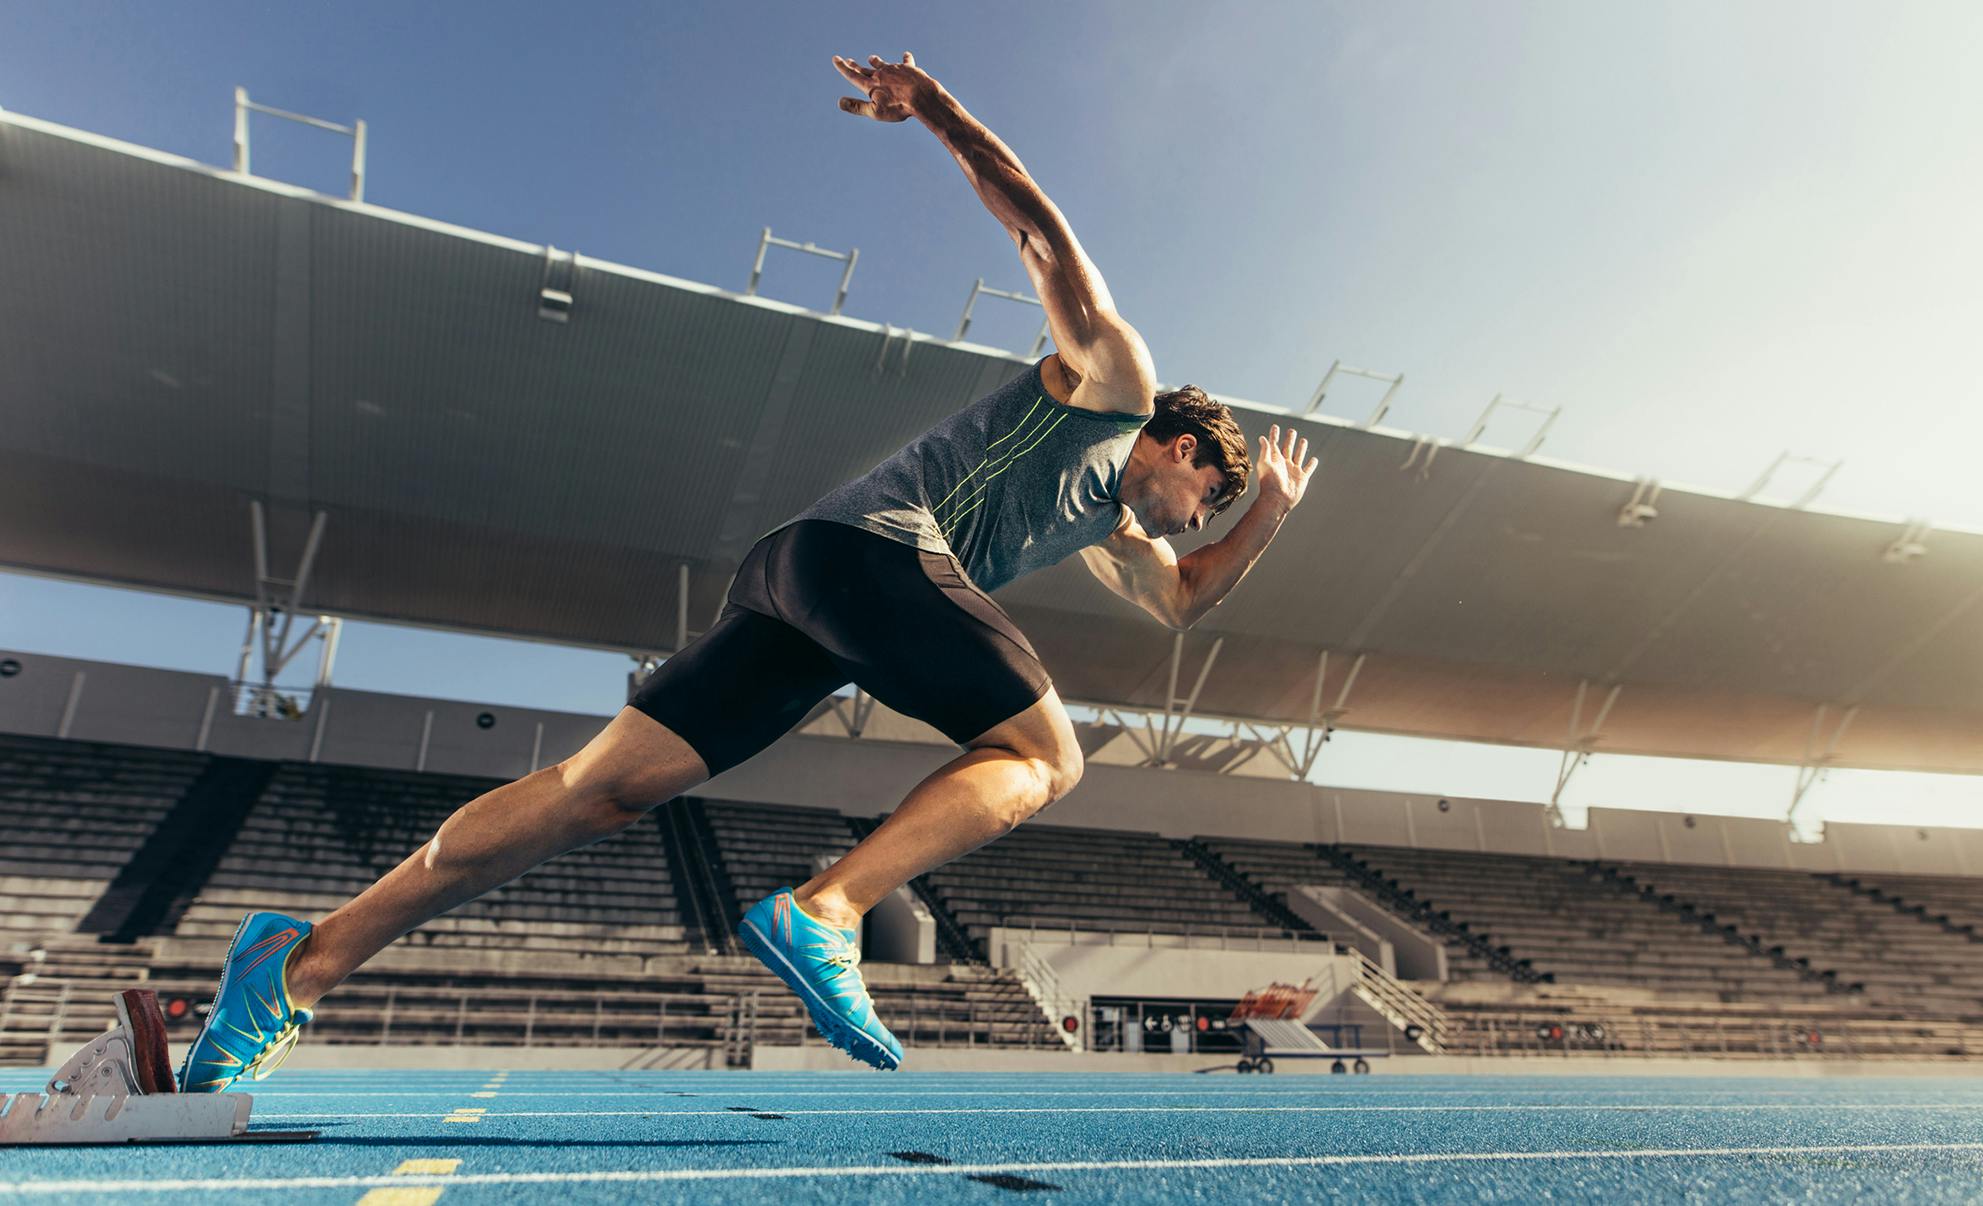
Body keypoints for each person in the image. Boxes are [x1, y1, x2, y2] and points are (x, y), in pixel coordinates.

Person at [176, 51, 1316, 1089]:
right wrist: (936, 112)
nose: (1198, 515)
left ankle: (295, 967)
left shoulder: (1112, 528)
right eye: (1211, 490)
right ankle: (829, 910)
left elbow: (1186, 597)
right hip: (869, 555)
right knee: (1043, 756)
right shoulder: (1113, 384)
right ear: (1181, 443)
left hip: (801, 589)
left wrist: (1265, 511)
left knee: (596, 792)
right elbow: (1042, 233)